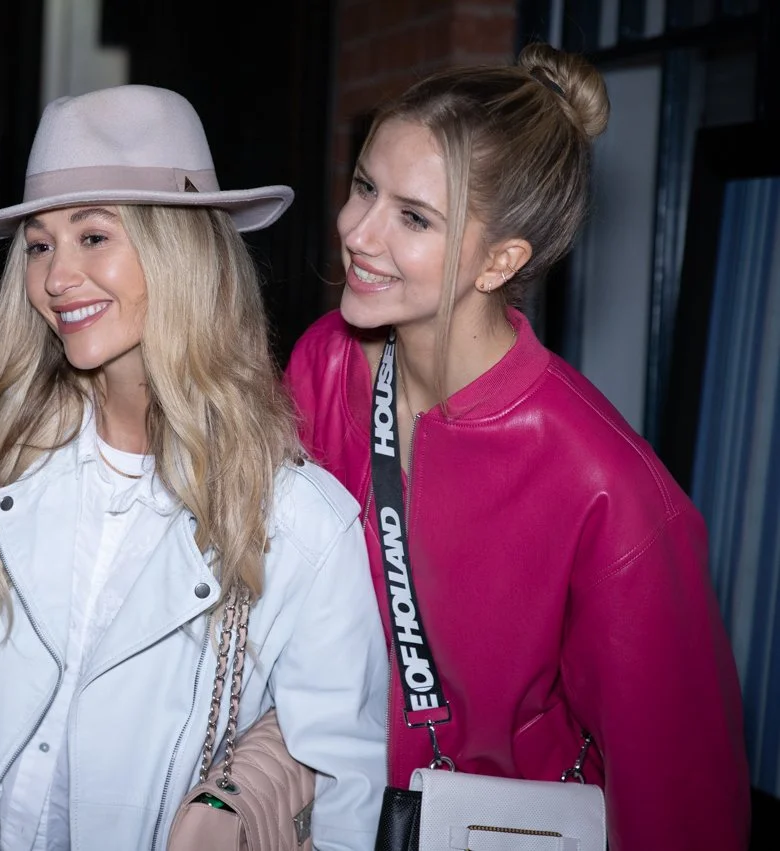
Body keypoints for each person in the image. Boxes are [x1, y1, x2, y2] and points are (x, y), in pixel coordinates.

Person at [0, 84, 389, 851]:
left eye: (93, 237)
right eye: (40, 244)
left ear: (175, 248)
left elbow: (340, 785)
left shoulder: (301, 523)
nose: (56, 277)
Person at [283, 42, 750, 850]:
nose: (357, 231)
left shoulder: (612, 490)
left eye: (414, 216)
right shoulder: (326, 363)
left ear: (503, 259)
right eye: (365, 185)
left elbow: (683, 807)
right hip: (330, 814)